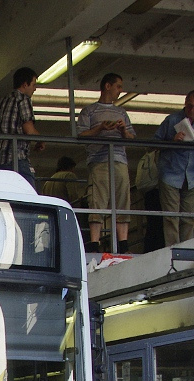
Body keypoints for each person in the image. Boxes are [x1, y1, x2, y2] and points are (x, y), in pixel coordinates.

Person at [78, 73, 136, 254]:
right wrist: (101, 128)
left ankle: (123, 244)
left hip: (119, 160)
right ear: (108, 86)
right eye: (118, 86)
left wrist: (123, 130)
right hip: (98, 161)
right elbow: (81, 135)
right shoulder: (89, 111)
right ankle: (95, 244)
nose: (120, 90)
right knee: (97, 200)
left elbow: (132, 137)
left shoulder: (122, 113)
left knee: (122, 200)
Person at [154, 89, 194, 246]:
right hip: (171, 174)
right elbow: (153, 144)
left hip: (191, 175)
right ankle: (173, 249)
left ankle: (187, 246)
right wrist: (172, 140)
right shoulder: (172, 120)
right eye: (190, 106)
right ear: (185, 102)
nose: (192, 110)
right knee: (171, 217)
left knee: (189, 217)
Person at [0, 67, 44, 191]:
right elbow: (29, 130)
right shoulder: (23, 100)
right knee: (29, 198)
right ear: (25, 84)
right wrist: (40, 140)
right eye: (34, 85)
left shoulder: (1, 102)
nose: (35, 89)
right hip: (15, 158)